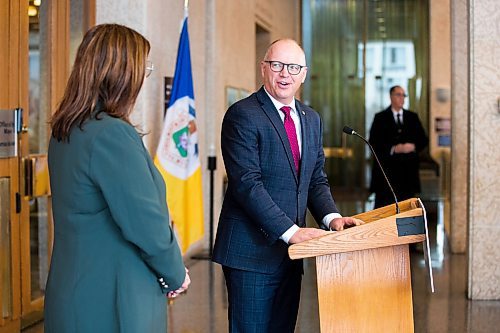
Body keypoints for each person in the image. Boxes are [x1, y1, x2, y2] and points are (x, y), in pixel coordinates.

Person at [45, 24, 190, 332]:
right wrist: (176, 273)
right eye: (143, 68)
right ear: (122, 73)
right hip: (113, 299)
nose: (143, 77)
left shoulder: (64, 131)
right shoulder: (111, 134)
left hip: (72, 292)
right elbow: (145, 223)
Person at [212, 39, 363, 333]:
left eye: (293, 67)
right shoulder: (243, 115)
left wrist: (333, 218)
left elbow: (315, 179)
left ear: (304, 74)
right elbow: (247, 184)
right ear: (263, 69)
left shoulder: (311, 119)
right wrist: (292, 233)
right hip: (251, 254)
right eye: (277, 65)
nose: (285, 74)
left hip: (291, 256)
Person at [368, 85, 429, 208]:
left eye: (404, 95)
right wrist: (394, 149)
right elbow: (373, 142)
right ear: (391, 97)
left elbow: (423, 140)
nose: (402, 98)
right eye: (398, 95)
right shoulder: (380, 118)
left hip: (408, 174)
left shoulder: (412, 117)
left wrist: (413, 147)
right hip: (387, 175)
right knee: (385, 209)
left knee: (408, 210)